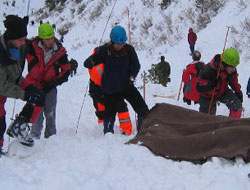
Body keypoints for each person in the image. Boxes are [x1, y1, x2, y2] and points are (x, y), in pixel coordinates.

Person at [84, 25, 149, 134]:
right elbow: (87, 63)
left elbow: (136, 65)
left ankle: (144, 129)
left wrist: (132, 76)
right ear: (112, 41)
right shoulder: (104, 50)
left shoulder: (129, 50)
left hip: (126, 85)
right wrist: (94, 59)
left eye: (122, 43)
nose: (120, 46)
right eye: (118, 44)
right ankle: (108, 136)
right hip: (110, 89)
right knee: (109, 115)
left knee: (142, 108)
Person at [0, 15, 46, 149]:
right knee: (0, 122)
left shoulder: (19, 47)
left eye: (24, 39)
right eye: (20, 40)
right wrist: (24, 95)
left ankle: (19, 125)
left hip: (14, 81)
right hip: (2, 87)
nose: (23, 43)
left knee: (39, 96)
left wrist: (30, 90)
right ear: (11, 39)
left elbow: (15, 74)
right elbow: (2, 87)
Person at [24, 23, 70, 139]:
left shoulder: (59, 51)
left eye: (51, 37)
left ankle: (51, 139)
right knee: (36, 115)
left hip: (50, 87)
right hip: (34, 86)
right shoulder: (31, 48)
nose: (50, 41)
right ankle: (34, 138)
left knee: (50, 113)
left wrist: (54, 82)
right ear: (41, 38)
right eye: (47, 38)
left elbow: (66, 71)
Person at [85, 47, 133, 135]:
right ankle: (110, 130)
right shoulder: (99, 59)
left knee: (109, 107)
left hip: (101, 87)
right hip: (98, 88)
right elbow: (87, 64)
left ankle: (107, 130)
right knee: (116, 106)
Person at [196, 48, 243, 118]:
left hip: (222, 91)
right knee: (207, 118)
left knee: (237, 105)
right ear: (224, 64)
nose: (234, 69)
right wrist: (210, 85)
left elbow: (233, 81)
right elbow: (199, 87)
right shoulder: (208, 70)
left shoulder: (231, 71)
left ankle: (232, 125)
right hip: (207, 96)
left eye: (235, 67)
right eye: (232, 67)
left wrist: (238, 92)